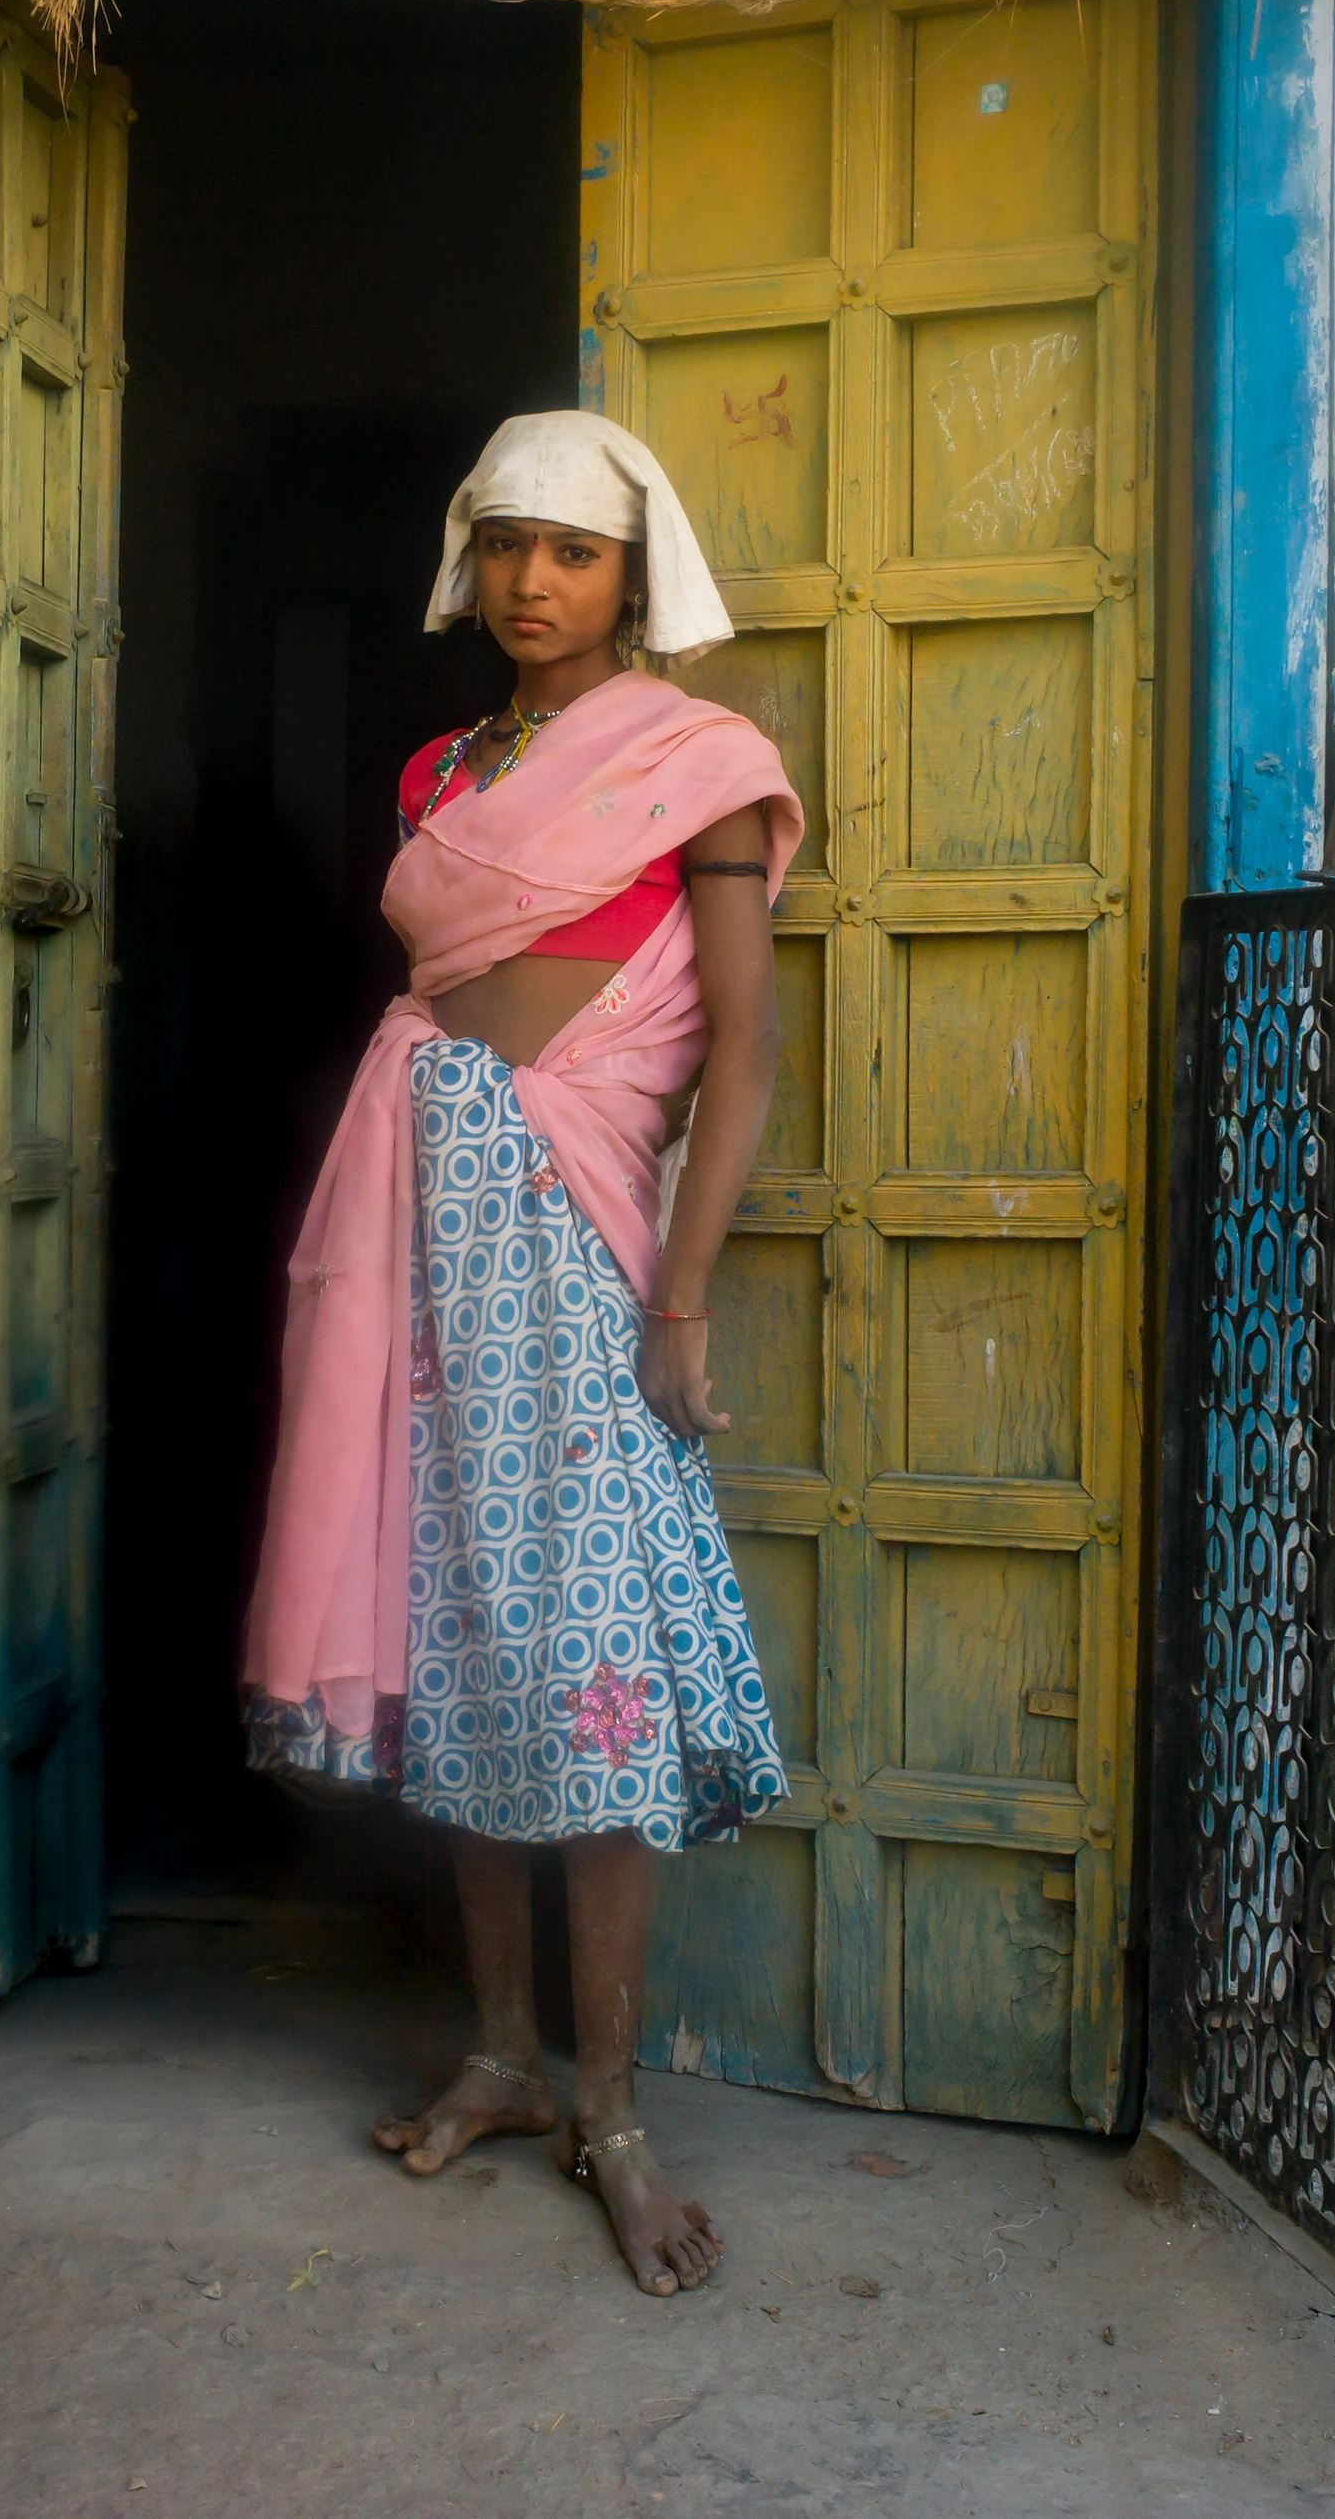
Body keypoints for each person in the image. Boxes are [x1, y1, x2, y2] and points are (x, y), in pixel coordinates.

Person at [239, 410, 803, 2297]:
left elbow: (742, 1051)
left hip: (571, 1240)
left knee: (590, 1667)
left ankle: (616, 2107)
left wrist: (682, 1296)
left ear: (634, 571)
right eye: (503, 544)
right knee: (466, 1639)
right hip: (420, 1232)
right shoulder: (437, 767)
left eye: (569, 548)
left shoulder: (702, 764)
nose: (531, 580)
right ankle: (496, 2050)